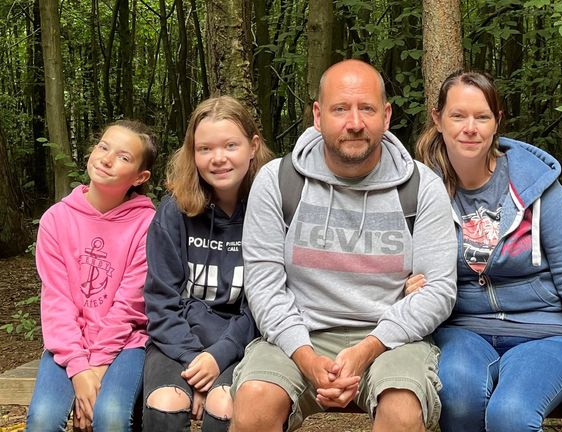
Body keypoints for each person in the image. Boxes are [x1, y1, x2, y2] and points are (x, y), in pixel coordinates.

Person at [229, 59, 458, 432]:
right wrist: (305, 357)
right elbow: (264, 287)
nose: (354, 123)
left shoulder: (421, 187)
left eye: (366, 108)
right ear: (318, 116)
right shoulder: (278, 182)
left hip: (390, 337)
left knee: (401, 409)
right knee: (255, 401)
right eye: (340, 109)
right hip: (300, 332)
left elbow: (438, 292)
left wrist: (369, 348)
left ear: (386, 115)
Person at [413, 70, 562, 432]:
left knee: (510, 415)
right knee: (458, 397)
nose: (470, 127)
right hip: (463, 330)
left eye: (482, 117)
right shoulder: (421, 188)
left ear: (496, 122)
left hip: (546, 331)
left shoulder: (536, 184)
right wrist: (407, 284)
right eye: (458, 116)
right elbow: (400, 263)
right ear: (437, 119)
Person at [142, 96, 273, 431]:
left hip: (245, 343)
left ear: (253, 146)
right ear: (192, 153)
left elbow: (268, 306)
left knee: (225, 404)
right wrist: (196, 362)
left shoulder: (273, 212)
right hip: (178, 344)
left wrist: (218, 357)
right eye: (205, 149)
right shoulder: (174, 213)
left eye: (231, 145)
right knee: (165, 403)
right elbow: (161, 302)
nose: (218, 159)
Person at [26, 120, 157, 431]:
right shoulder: (57, 220)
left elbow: (129, 305)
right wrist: (78, 368)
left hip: (126, 343)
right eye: (103, 147)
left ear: (140, 177)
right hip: (68, 344)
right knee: (43, 418)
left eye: (124, 157)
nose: (107, 159)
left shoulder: (147, 224)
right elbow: (57, 301)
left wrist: (95, 370)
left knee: (110, 414)